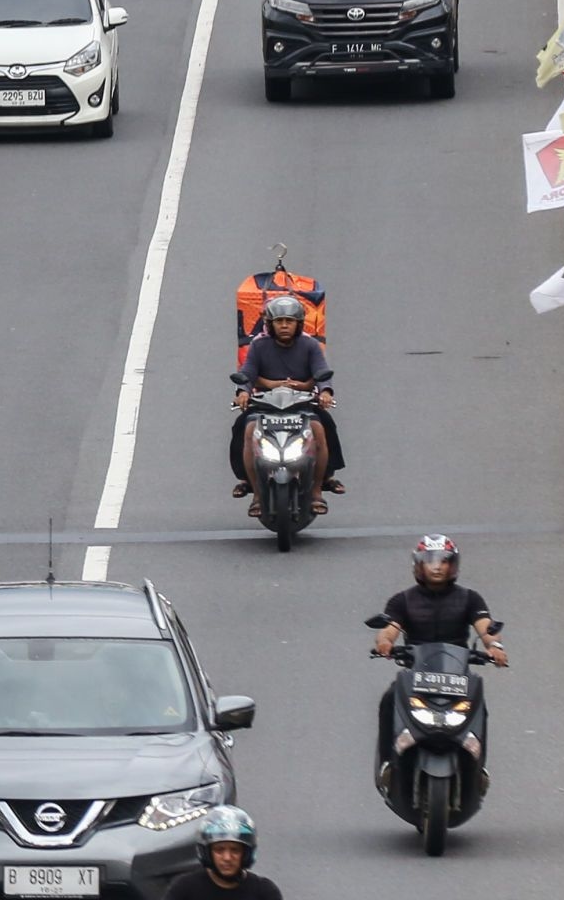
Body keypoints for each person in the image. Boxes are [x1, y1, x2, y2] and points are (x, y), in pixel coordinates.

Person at [372, 536, 507, 778]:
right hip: (417, 673)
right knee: (389, 700)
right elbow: (389, 629)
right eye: (430, 561)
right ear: (418, 566)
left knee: (480, 706)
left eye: (444, 561)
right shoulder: (402, 600)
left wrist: (494, 646)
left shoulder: (470, 598)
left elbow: (485, 627)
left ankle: (478, 768)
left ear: (453, 565)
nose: (437, 566)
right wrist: (384, 643)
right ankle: (387, 764)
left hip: (457, 674)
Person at [231, 295, 343, 509]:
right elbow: (247, 372)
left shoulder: (310, 345)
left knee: (323, 427)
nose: (284, 326)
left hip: (302, 403)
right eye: (279, 321)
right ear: (270, 324)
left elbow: (321, 372)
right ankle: (252, 488)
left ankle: (319, 487)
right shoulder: (259, 345)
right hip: (265, 404)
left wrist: (325, 392)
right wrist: (243, 392)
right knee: (244, 429)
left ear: (298, 324)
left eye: (289, 321)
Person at [161, 807, 280, 900]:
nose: (227, 858)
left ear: (246, 853)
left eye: (235, 850)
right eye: (219, 850)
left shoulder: (264, 892)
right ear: (207, 852)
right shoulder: (184, 889)